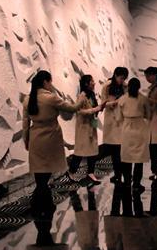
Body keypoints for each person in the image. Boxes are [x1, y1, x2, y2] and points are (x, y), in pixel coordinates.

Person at [23, 70, 97, 199]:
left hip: (35, 136)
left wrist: (26, 140)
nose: (51, 85)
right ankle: (42, 192)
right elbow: (73, 108)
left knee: (39, 167)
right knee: (48, 166)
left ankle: (40, 190)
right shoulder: (51, 98)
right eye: (50, 82)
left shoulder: (28, 99)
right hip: (51, 135)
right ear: (45, 82)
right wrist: (81, 99)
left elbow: (25, 123)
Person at [117, 77, 151, 193]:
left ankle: (127, 182)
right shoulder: (143, 99)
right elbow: (148, 115)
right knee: (138, 159)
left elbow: (118, 118)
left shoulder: (122, 99)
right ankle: (136, 184)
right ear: (139, 87)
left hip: (127, 129)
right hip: (140, 128)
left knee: (126, 158)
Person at [68, 74, 103, 184]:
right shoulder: (82, 96)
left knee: (92, 151)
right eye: (92, 81)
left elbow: (94, 109)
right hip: (83, 128)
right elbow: (79, 111)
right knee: (80, 151)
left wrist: (98, 109)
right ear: (86, 83)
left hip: (91, 126)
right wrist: (94, 110)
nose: (94, 83)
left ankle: (90, 173)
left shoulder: (91, 95)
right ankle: (71, 172)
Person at [99, 67, 128, 183]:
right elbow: (102, 104)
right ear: (115, 75)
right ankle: (117, 174)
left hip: (121, 120)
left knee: (121, 149)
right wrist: (114, 102)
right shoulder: (107, 86)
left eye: (124, 78)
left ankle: (123, 174)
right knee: (114, 150)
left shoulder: (125, 87)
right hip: (111, 121)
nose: (122, 80)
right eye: (121, 78)